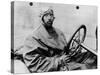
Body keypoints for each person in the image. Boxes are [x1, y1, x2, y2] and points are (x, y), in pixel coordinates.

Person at [15, 7, 87, 73]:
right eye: (46, 15)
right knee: (82, 68)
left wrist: (72, 51)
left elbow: (65, 49)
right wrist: (58, 61)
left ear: (53, 18)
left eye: (51, 15)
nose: (49, 18)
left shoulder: (59, 33)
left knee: (91, 57)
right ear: (41, 18)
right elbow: (34, 62)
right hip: (54, 67)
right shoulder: (33, 37)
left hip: (67, 60)